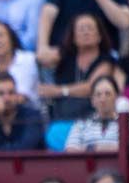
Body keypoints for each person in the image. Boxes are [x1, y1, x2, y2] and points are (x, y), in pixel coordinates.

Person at [41, 13, 115, 150]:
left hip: (91, 120)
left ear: (99, 36)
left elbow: (92, 87)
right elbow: (41, 57)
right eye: (81, 29)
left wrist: (59, 91)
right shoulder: (64, 57)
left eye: (90, 28)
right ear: (73, 37)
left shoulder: (106, 60)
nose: (85, 32)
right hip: (62, 119)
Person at [0, 19, 39, 106]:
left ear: (11, 39)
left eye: (1, 35)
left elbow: (19, 98)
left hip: (27, 115)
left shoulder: (27, 60)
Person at [64, 74, 121, 151]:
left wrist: (91, 149)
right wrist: (94, 148)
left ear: (117, 98)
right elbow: (70, 151)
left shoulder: (128, 123)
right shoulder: (80, 123)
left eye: (108, 94)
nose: (102, 99)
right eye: (98, 95)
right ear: (92, 100)